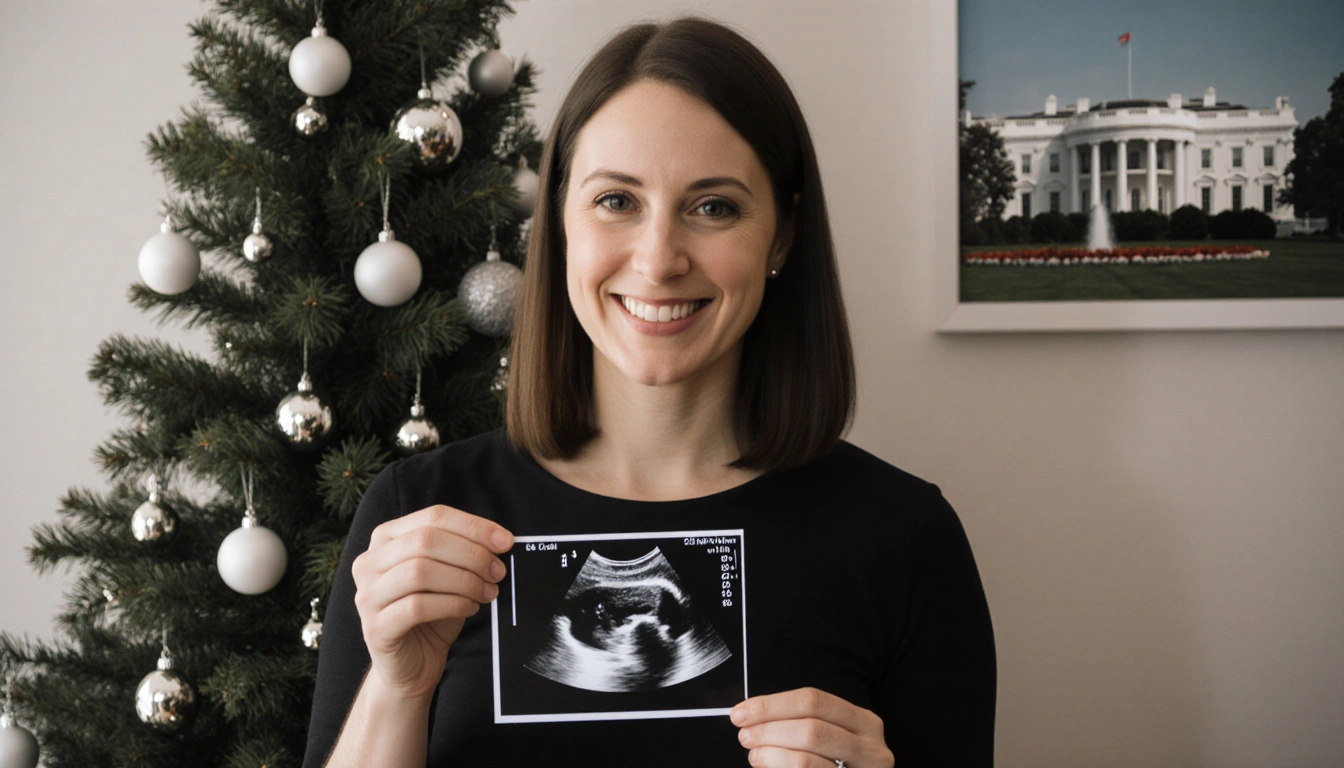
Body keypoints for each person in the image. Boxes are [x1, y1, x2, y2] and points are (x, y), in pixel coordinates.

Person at [303, 16, 995, 768]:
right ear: (561, 222)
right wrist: (396, 689)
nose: (659, 260)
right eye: (616, 201)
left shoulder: (902, 539)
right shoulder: (417, 514)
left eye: (714, 206)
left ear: (784, 237)